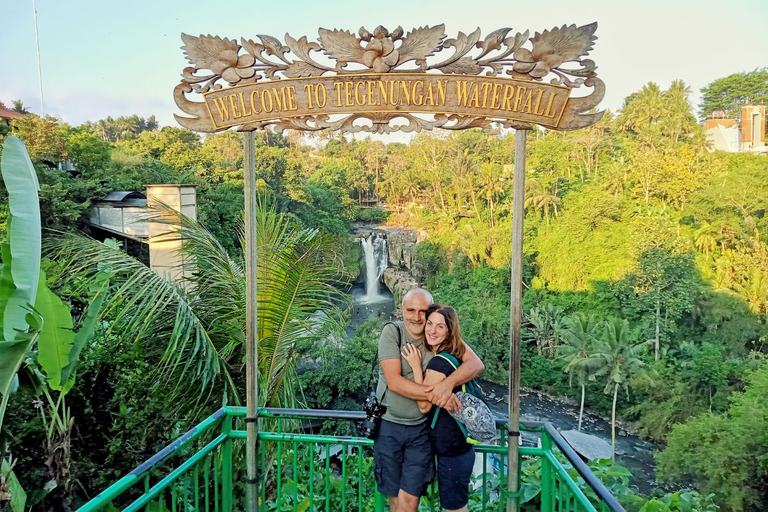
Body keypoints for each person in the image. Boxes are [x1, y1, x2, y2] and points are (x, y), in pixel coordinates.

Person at [374, 289, 484, 512]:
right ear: (401, 310)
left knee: (410, 500)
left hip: (421, 431)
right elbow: (394, 382)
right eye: (410, 310)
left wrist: (446, 385)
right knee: (394, 498)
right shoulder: (392, 333)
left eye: (422, 311)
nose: (416, 317)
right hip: (389, 426)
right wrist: (441, 396)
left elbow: (475, 364)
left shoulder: (437, 337)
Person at [402, 304, 478, 512]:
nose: (432, 331)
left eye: (440, 327)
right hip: (458, 447)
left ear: (449, 331)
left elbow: (424, 405)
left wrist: (416, 367)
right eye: (430, 324)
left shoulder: (438, 362)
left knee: (455, 509)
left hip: (451, 450)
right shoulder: (455, 357)